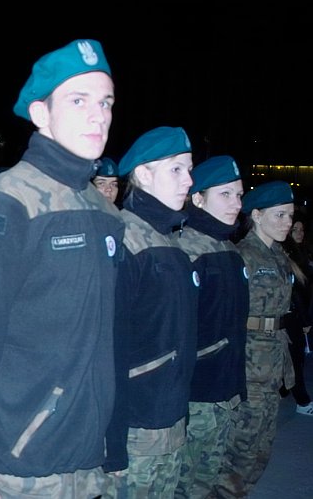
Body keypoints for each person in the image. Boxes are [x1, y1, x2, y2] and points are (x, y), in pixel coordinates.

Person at [0, 39, 124, 498]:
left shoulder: (103, 211)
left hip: (86, 456)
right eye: (78, 101)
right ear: (40, 113)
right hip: (19, 462)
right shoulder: (4, 205)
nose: (98, 116)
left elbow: (104, 340)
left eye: (106, 102)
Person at [104, 126, 199, 498]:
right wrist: (113, 444)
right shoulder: (124, 239)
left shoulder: (170, 242)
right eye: (176, 169)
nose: (188, 180)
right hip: (135, 428)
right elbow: (108, 348)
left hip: (169, 419)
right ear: (143, 174)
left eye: (189, 169)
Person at [173, 155, 249, 498]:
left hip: (224, 389)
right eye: (225, 194)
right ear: (198, 198)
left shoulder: (229, 250)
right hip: (197, 395)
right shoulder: (185, 249)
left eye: (239, 195)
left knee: (208, 479)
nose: (236, 203)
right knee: (185, 484)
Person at [214, 180, 296, 497]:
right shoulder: (242, 256)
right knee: (242, 446)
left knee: (262, 446)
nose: (287, 222)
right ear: (257, 215)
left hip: (273, 360)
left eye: (290, 215)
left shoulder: (279, 256)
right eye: (279, 215)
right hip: (249, 363)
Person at [280, 210, 313, 416]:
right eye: (295, 230)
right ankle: (302, 400)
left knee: (294, 356)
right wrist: (305, 320)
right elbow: (296, 291)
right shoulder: (287, 255)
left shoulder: (303, 253)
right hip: (293, 315)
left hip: (299, 313)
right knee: (295, 358)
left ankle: (284, 388)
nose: (299, 233)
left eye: (301, 229)